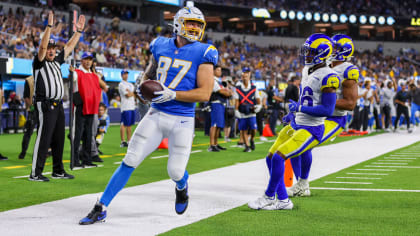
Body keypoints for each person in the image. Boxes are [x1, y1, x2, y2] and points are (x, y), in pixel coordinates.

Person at [79, 6, 217, 225]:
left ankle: (182, 186)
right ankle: (101, 206)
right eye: (191, 22)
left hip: (182, 119)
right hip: (156, 113)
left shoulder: (204, 51)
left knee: (175, 171)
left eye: (198, 24)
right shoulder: (160, 44)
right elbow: (149, 73)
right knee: (130, 159)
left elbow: (205, 93)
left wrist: (174, 93)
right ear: (179, 23)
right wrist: (144, 88)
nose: (195, 28)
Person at [248, 34, 339, 210]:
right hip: (297, 122)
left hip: (312, 128)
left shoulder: (329, 76)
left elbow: (327, 110)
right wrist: (294, 115)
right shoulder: (307, 70)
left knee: (279, 157)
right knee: (270, 158)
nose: (307, 55)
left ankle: (268, 196)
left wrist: (299, 109)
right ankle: (283, 200)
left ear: (322, 54)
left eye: (311, 52)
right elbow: (307, 99)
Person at [287, 34, 359, 197]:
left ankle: (302, 184)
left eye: (335, 48)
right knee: (294, 140)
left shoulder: (348, 70)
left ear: (344, 51)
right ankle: (299, 183)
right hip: (313, 114)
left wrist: (320, 104)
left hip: (333, 118)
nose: (331, 50)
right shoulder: (317, 67)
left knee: (304, 142)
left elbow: (350, 103)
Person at [29, 11, 85, 182]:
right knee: (44, 138)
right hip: (45, 104)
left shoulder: (56, 62)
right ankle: (35, 173)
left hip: (58, 104)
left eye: (54, 49)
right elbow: (42, 48)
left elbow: (68, 46)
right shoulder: (39, 62)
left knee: (59, 138)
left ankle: (58, 170)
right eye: (50, 49)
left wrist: (79, 33)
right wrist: (49, 27)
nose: (52, 51)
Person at [71, 52, 107, 168]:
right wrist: (71, 72)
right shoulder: (77, 72)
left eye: (90, 60)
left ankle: (87, 159)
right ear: (81, 60)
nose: (88, 61)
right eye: (86, 59)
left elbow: (104, 87)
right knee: (78, 134)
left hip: (91, 108)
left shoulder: (94, 75)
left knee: (89, 134)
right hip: (81, 107)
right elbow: (72, 79)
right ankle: (75, 160)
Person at [234, 67, 261, 152]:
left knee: (253, 129)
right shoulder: (237, 88)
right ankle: (247, 146)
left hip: (251, 112)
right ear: (241, 77)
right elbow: (237, 100)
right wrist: (236, 110)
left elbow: (258, 100)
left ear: (249, 77)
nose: (245, 77)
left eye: (247, 75)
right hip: (242, 112)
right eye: (243, 76)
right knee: (243, 129)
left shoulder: (254, 88)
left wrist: (259, 107)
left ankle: (252, 139)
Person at [208, 65, 232, 152]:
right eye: (218, 70)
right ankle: (211, 145)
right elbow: (222, 92)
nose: (220, 72)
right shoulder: (213, 80)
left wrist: (228, 92)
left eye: (220, 70)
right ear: (213, 71)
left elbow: (228, 91)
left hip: (221, 103)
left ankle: (216, 143)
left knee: (218, 125)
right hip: (216, 103)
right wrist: (228, 92)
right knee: (214, 125)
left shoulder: (219, 81)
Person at [19, 76, 37, 160]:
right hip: (33, 110)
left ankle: (46, 151)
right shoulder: (29, 80)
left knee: (45, 132)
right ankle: (23, 152)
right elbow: (26, 97)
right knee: (28, 132)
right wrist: (32, 108)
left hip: (44, 110)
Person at [118, 69, 136, 148]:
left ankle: (129, 141)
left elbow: (134, 95)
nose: (126, 75)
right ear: (122, 75)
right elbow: (127, 95)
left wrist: (132, 93)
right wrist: (133, 93)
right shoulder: (121, 84)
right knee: (124, 124)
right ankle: (123, 141)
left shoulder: (131, 84)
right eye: (124, 74)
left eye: (127, 74)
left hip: (132, 106)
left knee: (129, 125)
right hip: (125, 107)